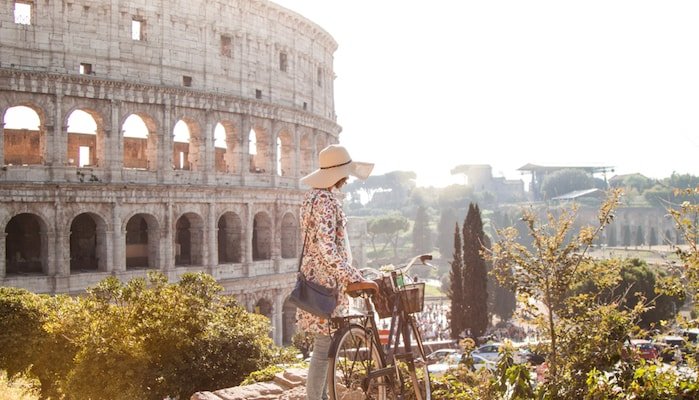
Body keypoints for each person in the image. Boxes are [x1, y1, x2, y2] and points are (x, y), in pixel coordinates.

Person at [296, 144, 374, 400]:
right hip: (326, 283)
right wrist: (352, 275)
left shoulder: (310, 198)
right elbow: (328, 249)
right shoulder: (327, 202)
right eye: (346, 173)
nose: (348, 178)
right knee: (322, 348)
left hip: (314, 278)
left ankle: (324, 395)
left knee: (325, 345)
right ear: (338, 174)